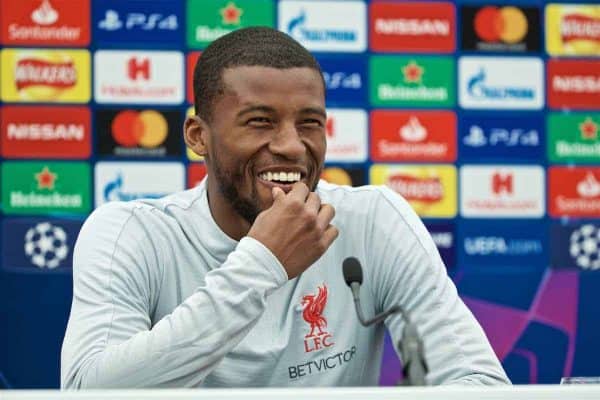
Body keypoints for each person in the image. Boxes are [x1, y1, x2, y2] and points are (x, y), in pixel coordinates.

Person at [61, 27, 510, 388]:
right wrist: (262, 263)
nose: (292, 146)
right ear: (198, 135)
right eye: (260, 122)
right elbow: (89, 388)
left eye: (309, 123)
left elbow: (478, 380)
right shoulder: (131, 232)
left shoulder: (372, 219)